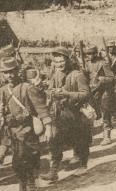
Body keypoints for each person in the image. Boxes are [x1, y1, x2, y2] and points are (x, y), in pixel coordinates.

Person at [0, 57, 52, 190]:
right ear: (2, 74)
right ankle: (22, 184)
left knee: (29, 159)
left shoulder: (27, 88)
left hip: (28, 130)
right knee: (17, 163)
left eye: (12, 71)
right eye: (6, 72)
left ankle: (31, 184)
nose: (9, 75)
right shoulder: (2, 90)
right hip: (12, 132)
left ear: (18, 71)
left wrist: (48, 127)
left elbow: (41, 108)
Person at [40, 46, 91, 181]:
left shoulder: (77, 74)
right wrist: (50, 92)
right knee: (55, 141)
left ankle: (83, 166)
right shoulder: (55, 75)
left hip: (77, 114)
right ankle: (54, 171)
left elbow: (86, 94)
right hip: (60, 114)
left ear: (68, 60)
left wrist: (67, 94)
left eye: (61, 61)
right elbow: (50, 89)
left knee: (81, 141)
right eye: (56, 62)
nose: (59, 64)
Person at [84, 45, 115, 146]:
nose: (89, 56)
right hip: (92, 92)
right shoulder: (87, 64)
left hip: (104, 91)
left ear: (96, 53)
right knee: (90, 114)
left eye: (91, 53)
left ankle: (107, 136)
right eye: (88, 54)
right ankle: (89, 138)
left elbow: (111, 77)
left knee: (105, 113)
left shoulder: (103, 63)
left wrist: (101, 79)